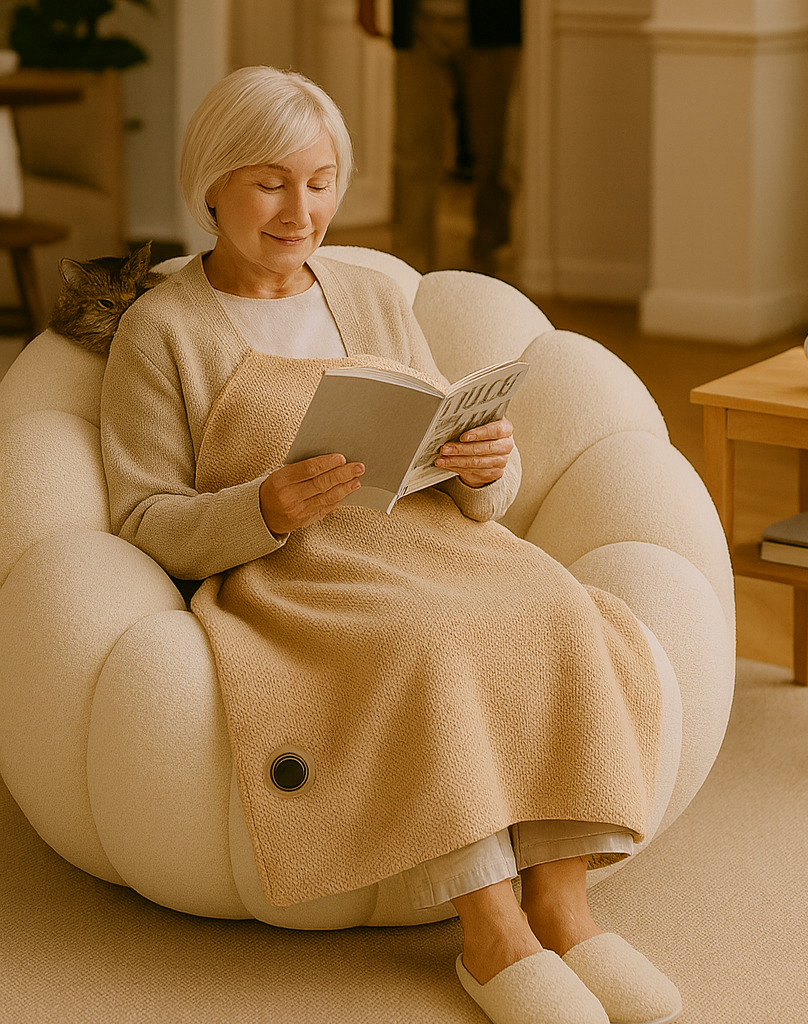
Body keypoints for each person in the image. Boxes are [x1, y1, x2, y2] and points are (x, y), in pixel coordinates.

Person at [100, 66, 682, 1024]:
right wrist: (267, 505)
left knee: (561, 607)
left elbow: (458, 465)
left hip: (435, 539)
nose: (302, 209)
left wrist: (486, 461)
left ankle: (567, 912)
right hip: (301, 570)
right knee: (430, 640)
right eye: (271, 181)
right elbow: (140, 519)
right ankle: (492, 934)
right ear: (211, 184)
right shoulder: (161, 332)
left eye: (321, 180)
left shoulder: (370, 295)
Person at [357, 0, 520, 274]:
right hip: (417, 23)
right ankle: (408, 269)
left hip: (493, 25)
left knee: (493, 151)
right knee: (413, 152)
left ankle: (489, 258)